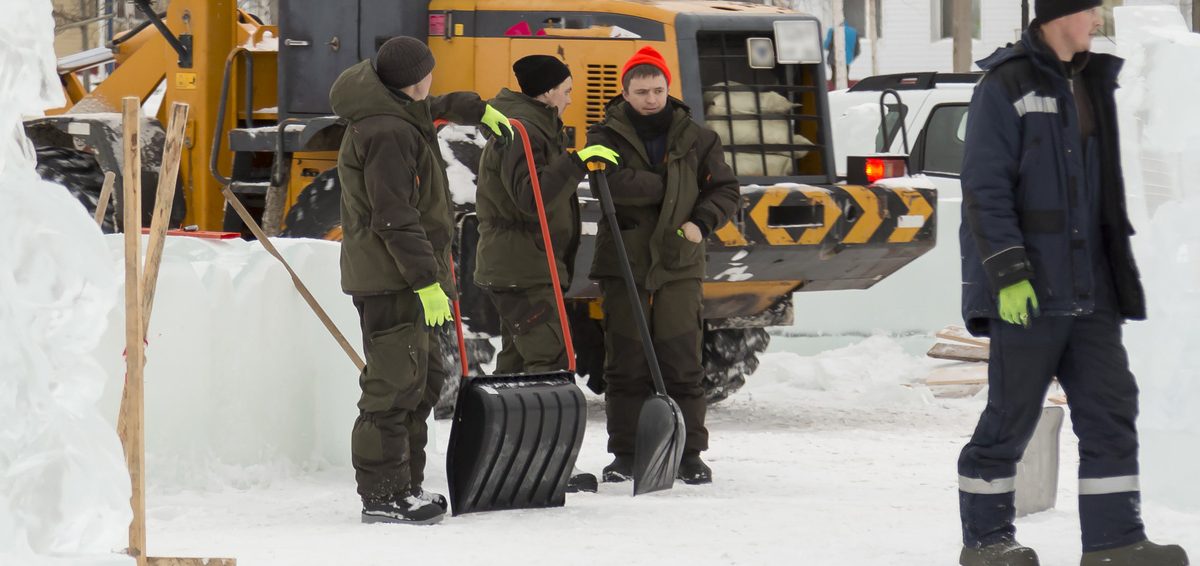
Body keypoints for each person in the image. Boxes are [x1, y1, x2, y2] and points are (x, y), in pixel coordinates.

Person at [956, 2, 1189, 564]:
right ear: (1064, 12)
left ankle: (1115, 541)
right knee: (1010, 422)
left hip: (1093, 292)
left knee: (1111, 413)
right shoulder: (1005, 83)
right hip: (1031, 294)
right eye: (1094, 9)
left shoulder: (1095, 82)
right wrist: (1008, 275)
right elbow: (984, 189)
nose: (1100, 20)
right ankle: (987, 543)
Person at [330, 36, 513, 525]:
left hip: (405, 276)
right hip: (393, 280)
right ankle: (384, 496)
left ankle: (406, 485)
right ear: (418, 76)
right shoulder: (386, 132)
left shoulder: (395, 108)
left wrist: (474, 110)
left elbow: (430, 106)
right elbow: (393, 215)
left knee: (421, 381)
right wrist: (425, 282)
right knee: (392, 388)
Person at [584, 46, 739, 485]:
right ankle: (626, 453)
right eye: (641, 91)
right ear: (625, 92)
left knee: (681, 362)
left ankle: (690, 452)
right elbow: (606, 183)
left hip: (678, 260)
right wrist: (672, 186)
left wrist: (701, 220)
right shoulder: (605, 136)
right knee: (626, 363)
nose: (651, 98)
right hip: (625, 262)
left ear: (668, 88)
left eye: (658, 89)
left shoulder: (699, 138)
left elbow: (725, 189)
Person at [472, 54, 619, 493]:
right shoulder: (520, 129)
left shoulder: (532, 125)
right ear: (548, 91)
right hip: (522, 266)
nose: (571, 99)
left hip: (525, 263)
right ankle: (546, 462)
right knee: (551, 359)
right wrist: (575, 163)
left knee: (519, 364)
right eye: (568, 90)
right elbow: (526, 196)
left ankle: (505, 456)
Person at [823, 22, 861, 86]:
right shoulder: (854, 32)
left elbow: (827, 46)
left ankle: (835, 94)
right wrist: (851, 57)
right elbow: (857, 50)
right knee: (845, 79)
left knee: (835, 79)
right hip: (847, 59)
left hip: (834, 59)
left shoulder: (833, 30)